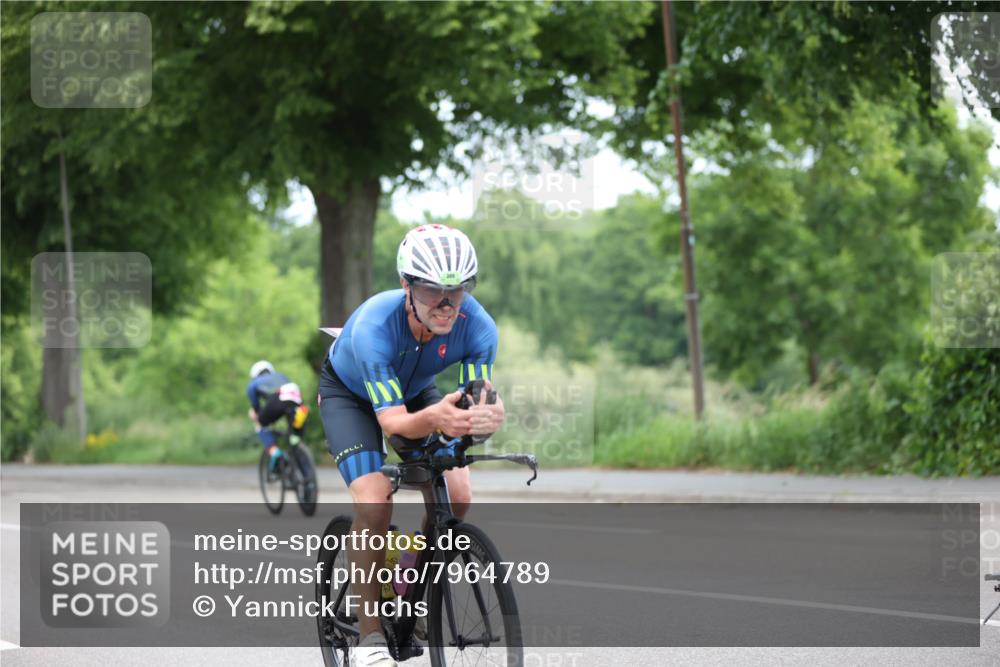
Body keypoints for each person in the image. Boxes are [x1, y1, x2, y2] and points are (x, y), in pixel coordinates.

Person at [318, 224, 505, 667]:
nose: (445, 303)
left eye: (456, 291)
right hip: (352, 396)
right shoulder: (372, 328)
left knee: (458, 495)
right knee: (374, 500)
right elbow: (394, 423)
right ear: (406, 285)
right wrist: (440, 417)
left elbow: (471, 404)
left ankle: (405, 577)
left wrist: (486, 419)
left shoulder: (479, 328)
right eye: (431, 290)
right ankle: (370, 637)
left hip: (418, 390)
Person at [247, 360, 309, 471]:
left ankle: (274, 452)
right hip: (297, 400)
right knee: (295, 440)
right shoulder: (281, 376)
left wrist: (256, 415)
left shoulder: (254, 383)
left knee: (259, 423)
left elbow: (256, 408)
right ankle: (309, 481)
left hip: (278, 400)